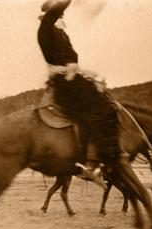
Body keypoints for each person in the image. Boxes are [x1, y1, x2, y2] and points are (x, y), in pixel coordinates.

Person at [37, 0, 124, 189]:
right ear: (51, 13)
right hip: (64, 81)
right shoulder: (47, 27)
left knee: (104, 102)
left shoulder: (57, 30)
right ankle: (92, 162)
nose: (62, 16)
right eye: (59, 13)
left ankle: (99, 158)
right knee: (99, 108)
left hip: (69, 78)